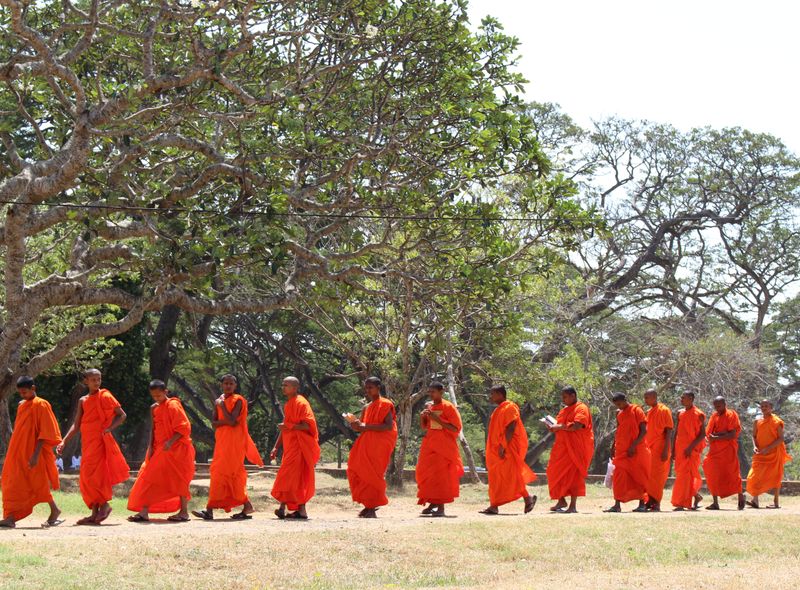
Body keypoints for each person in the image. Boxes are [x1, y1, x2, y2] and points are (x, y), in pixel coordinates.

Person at [57, 368, 129, 525]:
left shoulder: (106, 396)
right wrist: (64, 441)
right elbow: (76, 424)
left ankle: (105, 505)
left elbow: (122, 415)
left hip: (101, 441)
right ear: (86, 381)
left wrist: (109, 428)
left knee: (97, 476)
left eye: (99, 379)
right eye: (93, 380)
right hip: (88, 443)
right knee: (86, 477)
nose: (97, 382)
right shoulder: (83, 400)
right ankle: (94, 513)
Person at [192, 374, 263, 520]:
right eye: (225, 383)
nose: (228, 386)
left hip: (235, 443)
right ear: (221, 385)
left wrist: (222, 406)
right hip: (222, 442)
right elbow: (214, 423)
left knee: (232, 473)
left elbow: (232, 421)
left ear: (235, 386)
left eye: (231, 383)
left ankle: (211, 510)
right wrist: (222, 412)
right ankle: (242, 506)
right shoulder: (219, 400)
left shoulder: (238, 400)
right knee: (218, 472)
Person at [127, 380, 196, 522]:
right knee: (149, 477)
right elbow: (153, 429)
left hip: (177, 449)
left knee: (180, 480)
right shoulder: (154, 408)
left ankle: (184, 512)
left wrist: (170, 442)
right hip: (160, 449)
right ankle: (144, 511)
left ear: (166, 392)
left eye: (159, 395)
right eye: (154, 396)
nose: (157, 398)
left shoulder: (173, 405)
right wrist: (151, 447)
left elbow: (184, 427)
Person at [0, 376, 64, 528]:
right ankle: (10, 516)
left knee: (38, 483)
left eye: (25, 392)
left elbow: (45, 431)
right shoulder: (22, 405)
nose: (22, 395)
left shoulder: (41, 404)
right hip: (18, 451)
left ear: (33, 388)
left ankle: (53, 510)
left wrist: (35, 455)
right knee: (11, 481)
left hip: (35, 452)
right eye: (20, 393)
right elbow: (20, 430)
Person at [480, 385, 537, 515]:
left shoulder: (510, 407)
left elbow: (511, 428)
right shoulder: (497, 410)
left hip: (507, 448)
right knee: (497, 476)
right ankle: (495, 505)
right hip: (496, 449)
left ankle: (526, 498)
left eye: (493, 394)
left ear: (500, 394)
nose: (490, 397)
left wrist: (503, 446)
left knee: (510, 475)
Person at [270, 376, 321, 520]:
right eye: (283, 385)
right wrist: (275, 447)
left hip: (300, 447)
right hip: (290, 447)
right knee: (288, 477)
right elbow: (285, 428)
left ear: (295, 387)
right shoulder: (288, 404)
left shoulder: (301, 403)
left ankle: (296, 509)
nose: (283, 387)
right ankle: (287, 508)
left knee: (294, 477)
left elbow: (307, 426)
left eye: (286, 385)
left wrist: (289, 426)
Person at [346, 377, 397, 518]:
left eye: (370, 387)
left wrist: (365, 426)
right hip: (366, 443)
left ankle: (371, 507)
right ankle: (368, 505)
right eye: (366, 388)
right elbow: (362, 427)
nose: (368, 390)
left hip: (379, 445)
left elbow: (388, 426)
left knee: (373, 474)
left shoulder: (385, 404)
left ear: (378, 387)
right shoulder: (366, 407)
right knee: (356, 469)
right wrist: (355, 425)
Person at [415, 381, 464, 517]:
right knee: (425, 473)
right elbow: (425, 426)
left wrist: (438, 419)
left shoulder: (448, 407)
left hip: (444, 447)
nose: (431, 394)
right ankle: (433, 503)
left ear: (441, 392)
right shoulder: (429, 406)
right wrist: (423, 417)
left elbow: (455, 428)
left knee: (441, 476)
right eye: (429, 391)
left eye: (433, 391)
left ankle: (441, 507)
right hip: (429, 444)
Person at [545, 385, 594, 513]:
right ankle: (561, 500)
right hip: (561, 448)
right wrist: (552, 427)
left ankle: (573, 505)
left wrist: (559, 427)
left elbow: (577, 426)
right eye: (562, 397)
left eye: (565, 397)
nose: (563, 399)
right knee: (552, 471)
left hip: (577, 448)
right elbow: (559, 425)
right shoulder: (564, 410)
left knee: (574, 476)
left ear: (573, 396)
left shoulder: (581, 408)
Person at [604, 393, 650, 513]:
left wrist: (633, 445)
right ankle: (617, 504)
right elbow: (619, 430)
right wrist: (613, 445)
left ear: (625, 400)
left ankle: (642, 504)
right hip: (622, 451)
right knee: (618, 476)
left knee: (639, 477)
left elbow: (644, 431)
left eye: (620, 403)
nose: (619, 406)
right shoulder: (619, 413)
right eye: (616, 405)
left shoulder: (637, 410)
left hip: (637, 450)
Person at [701, 396, 745, 510]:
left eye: (719, 406)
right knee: (711, 471)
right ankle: (715, 502)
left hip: (728, 450)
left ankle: (740, 495)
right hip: (715, 451)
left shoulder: (731, 414)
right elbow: (709, 433)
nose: (717, 408)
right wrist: (719, 435)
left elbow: (732, 434)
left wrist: (717, 436)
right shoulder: (714, 416)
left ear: (725, 404)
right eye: (715, 406)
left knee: (732, 473)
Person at [746, 400, 791, 509]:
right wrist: (755, 446)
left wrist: (768, 448)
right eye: (762, 406)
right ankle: (755, 500)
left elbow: (781, 438)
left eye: (766, 406)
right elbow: (754, 436)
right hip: (760, 453)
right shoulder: (757, 421)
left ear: (771, 407)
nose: (764, 408)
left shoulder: (776, 421)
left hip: (774, 452)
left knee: (776, 476)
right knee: (753, 475)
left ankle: (776, 502)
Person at [670, 392, 705, 511]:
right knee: (681, 475)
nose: (681, 399)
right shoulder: (680, 413)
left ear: (691, 398)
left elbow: (702, 434)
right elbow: (676, 432)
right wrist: (673, 449)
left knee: (686, 476)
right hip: (680, 448)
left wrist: (690, 447)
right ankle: (696, 496)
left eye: (683, 398)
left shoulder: (699, 414)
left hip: (691, 450)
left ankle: (681, 503)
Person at [643, 389, 674, 512]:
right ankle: (650, 501)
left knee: (658, 477)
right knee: (649, 475)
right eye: (645, 397)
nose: (645, 400)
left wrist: (666, 450)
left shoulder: (664, 410)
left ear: (654, 397)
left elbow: (669, 430)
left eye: (647, 397)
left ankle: (657, 502)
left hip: (661, 447)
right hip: (649, 448)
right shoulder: (649, 412)